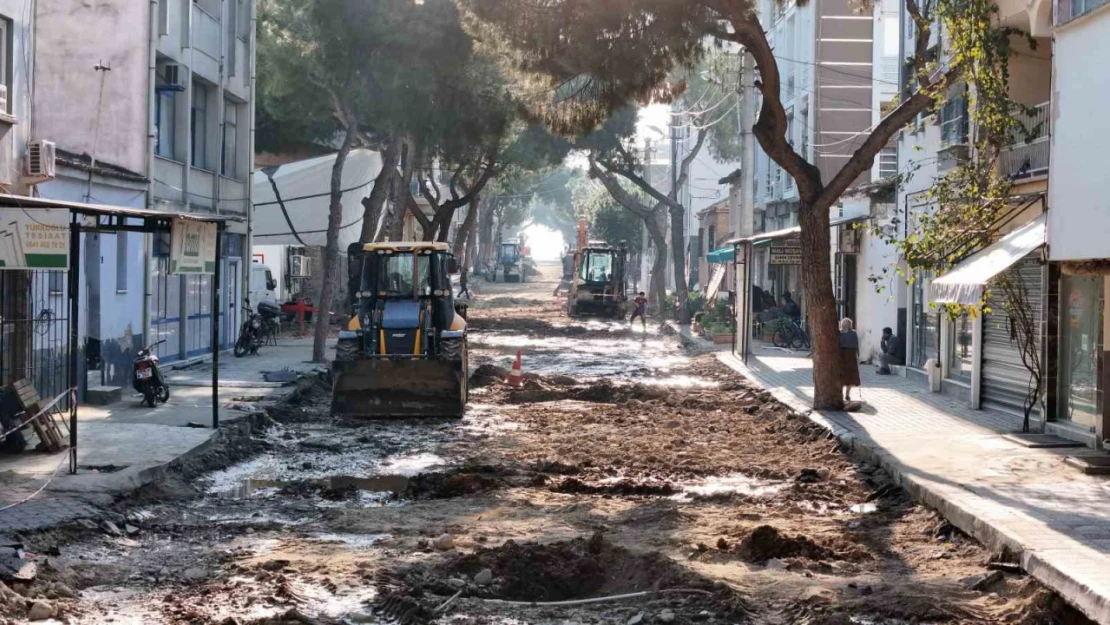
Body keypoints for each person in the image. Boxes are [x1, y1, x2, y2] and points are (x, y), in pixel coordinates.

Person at [839, 317, 861, 402]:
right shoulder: (853, 333)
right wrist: (858, 356)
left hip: (843, 355)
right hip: (851, 355)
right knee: (850, 375)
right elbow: (856, 345)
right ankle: (847, 394)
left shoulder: (839, 333)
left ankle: (843, 394)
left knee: (843, 374)